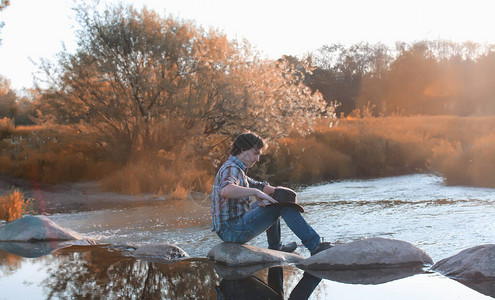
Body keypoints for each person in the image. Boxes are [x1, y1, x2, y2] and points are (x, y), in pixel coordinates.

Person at [211, 132, 332, 255]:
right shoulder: (231, 168)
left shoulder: (237, 169)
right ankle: (315, 247)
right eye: (255, 153)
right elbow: (226, 190)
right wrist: (256, 193)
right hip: (231, 231)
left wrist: (277, 191)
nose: (257, 159)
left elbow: (258, 185)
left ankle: (276, 247)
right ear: (243, 149)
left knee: (273, 200)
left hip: (231, 228)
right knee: (279, 206)